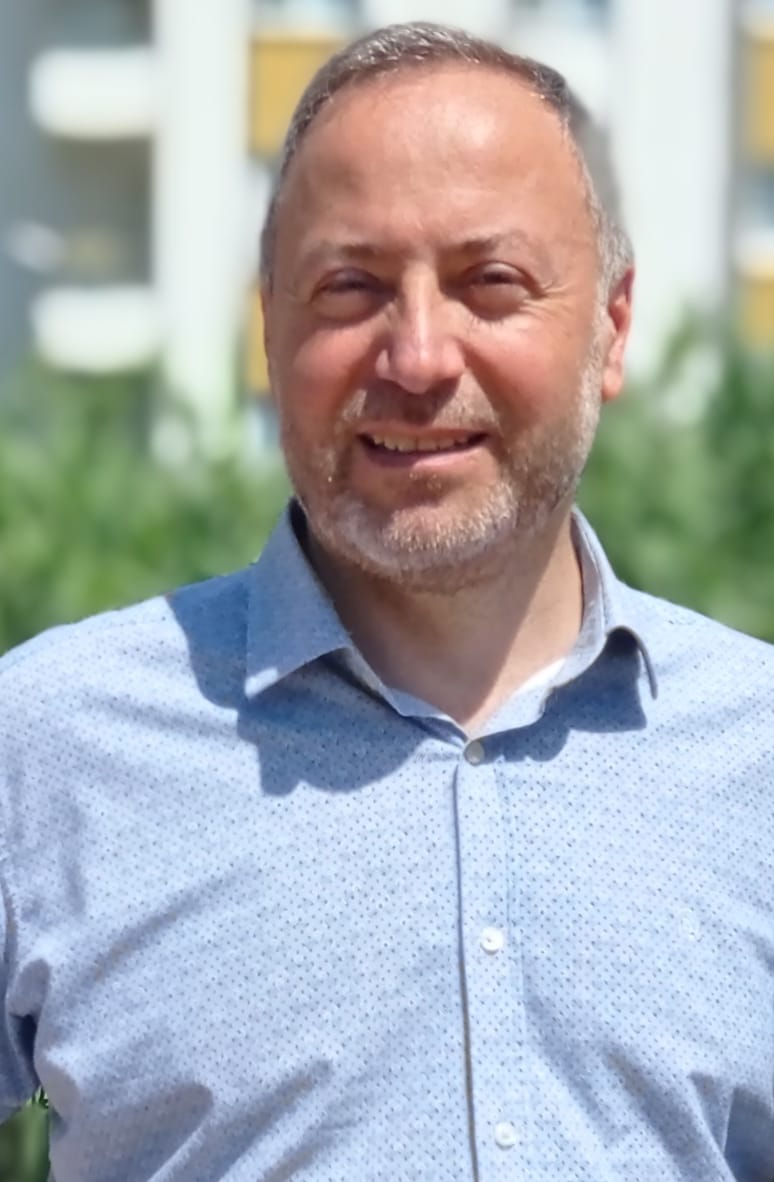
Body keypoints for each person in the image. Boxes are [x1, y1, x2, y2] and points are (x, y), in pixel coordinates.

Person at [0, 20, 772, 1182]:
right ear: (269, 329)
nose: (417, 357)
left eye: (490, 284)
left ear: (611, 330)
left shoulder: (758, 759)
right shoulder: (45, 748)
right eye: (350, 287)